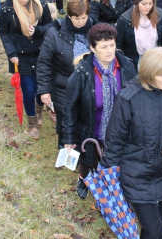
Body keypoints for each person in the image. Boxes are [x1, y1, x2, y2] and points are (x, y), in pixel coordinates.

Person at [99, 47, 162, 238]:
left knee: (154, 226)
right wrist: (108, 175)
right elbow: (115, 138)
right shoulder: (129, 97)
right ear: (149, 73)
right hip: (137, 176)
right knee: (156, 232)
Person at [63, 23, 137, 199]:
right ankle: (84, 179)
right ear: (92, 48)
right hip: (91, 126)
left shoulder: (127, 66)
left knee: (117, 158)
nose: (109, 51)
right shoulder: (82, 73)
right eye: (104, 47)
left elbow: (135, 97)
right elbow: (70, 107)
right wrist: (68, 137)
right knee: (88, 157)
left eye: (112, 45)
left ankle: (113, 183)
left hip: (120, 126)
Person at [0, 0, 53, 138]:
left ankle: (39, 111)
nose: (24, 0)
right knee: (28, 90)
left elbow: (50, 25)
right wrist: (11, 53)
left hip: (40, 52)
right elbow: (4, 32)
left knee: (40, 88)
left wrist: (37, 31)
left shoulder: (41, 4)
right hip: (20, 55)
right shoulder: (7, 8)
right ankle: (32, 124)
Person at [37, 0, 93, 148]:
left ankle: (84, 153)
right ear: (69, 16)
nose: (81, 22)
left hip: (88, 86)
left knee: (85, 122)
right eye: (77, 18)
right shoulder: (54, 33)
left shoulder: (94, 31)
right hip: (63, 87)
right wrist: (44, 90)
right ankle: (64, 152)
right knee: (65, 122)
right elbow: (44, 63)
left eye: (84, 18)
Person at [116, 0, 162, 70]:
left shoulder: (160, 16)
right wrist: (126, 64)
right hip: (134, 61)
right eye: (144, 4)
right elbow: (119, 46)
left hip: (156, 58)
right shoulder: (125, 19)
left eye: (150, 3)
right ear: (136, 3)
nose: (147, 7)